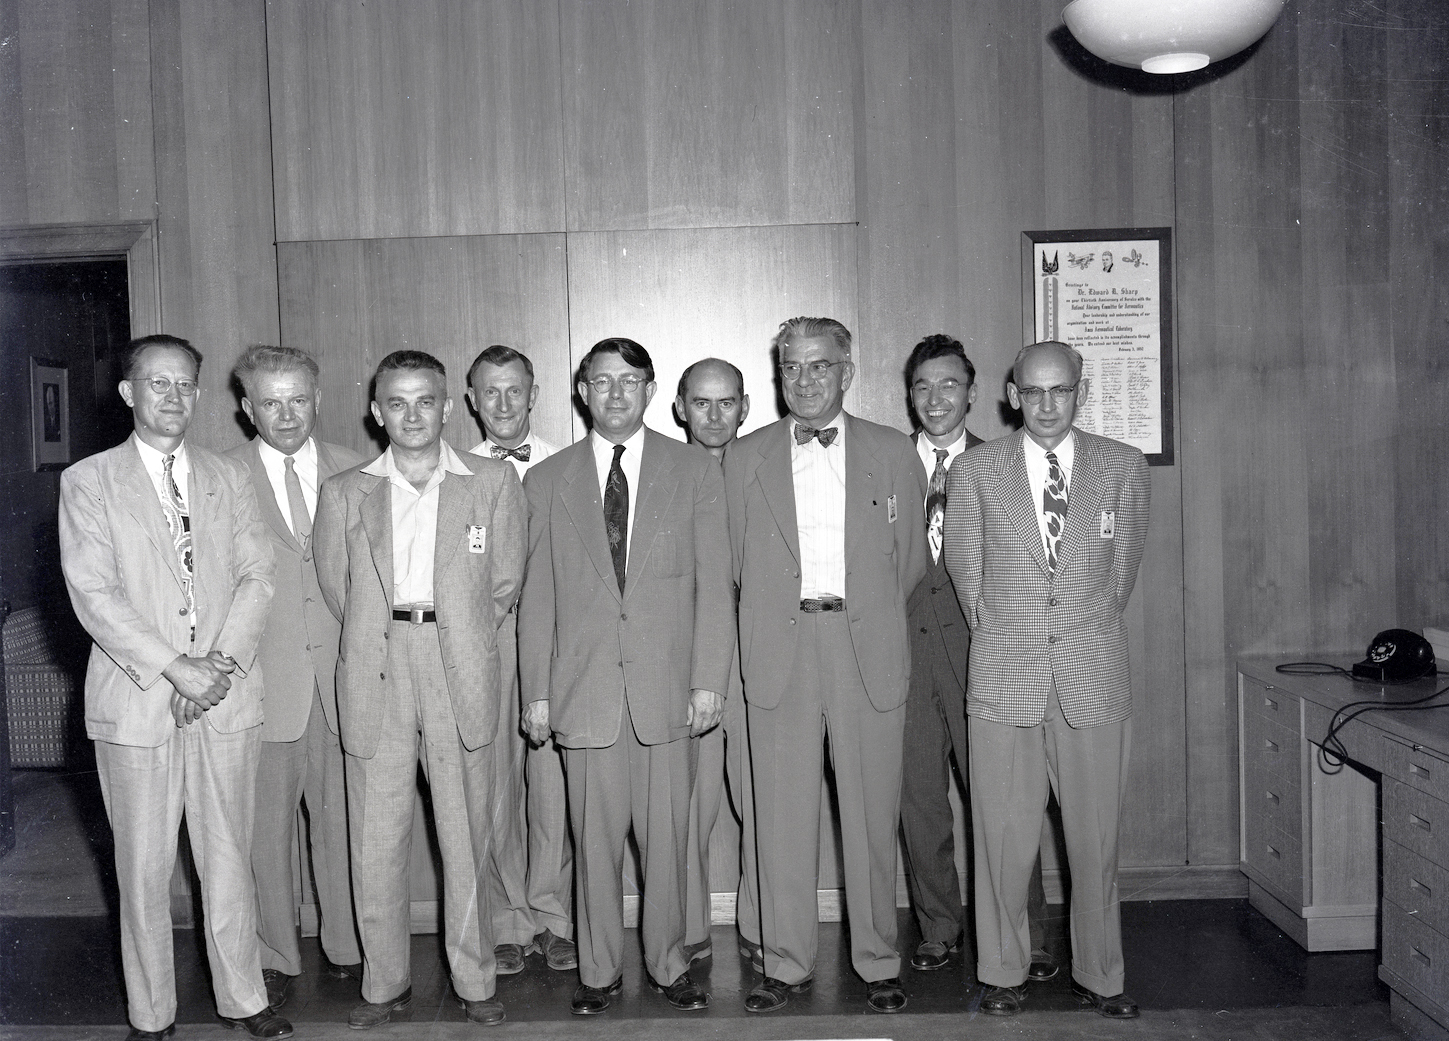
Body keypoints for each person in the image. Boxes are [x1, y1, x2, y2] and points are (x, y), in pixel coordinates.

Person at [58, 334, 290, 1040]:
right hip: (136, 703)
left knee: (228, 858)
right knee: (143, 870)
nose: (173, 396)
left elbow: (258, 576)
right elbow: (94, 594)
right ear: (128, 393)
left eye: (185, 383)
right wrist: (174, 666)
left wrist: (215, 665)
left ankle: (244, 997)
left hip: (224, 698)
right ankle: (151, 1014)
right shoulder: (89, 481)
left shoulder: (228, 476)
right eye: (157, 383)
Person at [518, 338, 734, 1016]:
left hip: (666, 693)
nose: (616, 393)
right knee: (593, 844)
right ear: (582, 391)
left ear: (650, 391)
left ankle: (670, 964)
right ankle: (599, 971)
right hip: (583, 695)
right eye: (602, 381)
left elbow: (712, 586)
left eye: (630, 381)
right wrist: (537, 692)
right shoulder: (546, 480)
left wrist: (708, 679)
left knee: (668, 841)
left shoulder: (692, 470)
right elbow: (537, 597)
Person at [313, 350, 526, 1028]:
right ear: (376, 412)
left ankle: (475, 980)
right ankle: (384, 984)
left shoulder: (491, 481)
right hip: (377, 663)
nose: (412, 415)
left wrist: (454, 633)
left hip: (457, 662)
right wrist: (385, 633)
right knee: (376, 836)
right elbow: (337, 587)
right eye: (396, 403)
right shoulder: (345, 491)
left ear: (447, 407)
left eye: (425, 400)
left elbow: (504, 582)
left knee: (465, 831)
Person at [723, 317, 928, 1015]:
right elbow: (732, 562)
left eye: (819, 366)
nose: (804, 380)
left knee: (871, 813)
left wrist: (857, 611)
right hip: (779, 649)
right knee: (780, 816)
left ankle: (877, 959)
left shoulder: (892, 450)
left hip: (863, 647)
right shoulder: (744, 456)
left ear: (847, 372)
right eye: (792, 367)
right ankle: (785, 961)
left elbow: (909, 562)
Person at [944, 340, 1150, 1019]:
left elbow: (1120, 574)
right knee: (1001, 840)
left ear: (1080, 392)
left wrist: (1075, 630)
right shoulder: (975, 469)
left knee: (1096, 842)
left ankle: (1101, 975)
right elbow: (967, 574)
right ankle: (1002, 972)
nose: (1047, 404)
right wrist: (1012, 633)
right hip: (1005, 673)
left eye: (1060, 390)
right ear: (1012, 395)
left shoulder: (1122, 466)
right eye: (1032, 391)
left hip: (1092, 674)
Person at [897, 335, 1055, 980]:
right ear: (910, 395)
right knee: (919, 801)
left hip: (988, 657)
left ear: (973, 394)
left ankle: (1025, 933)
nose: (936, 398)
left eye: (950, 385)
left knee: (1005, 804)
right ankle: (939, 926)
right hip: (905, 658)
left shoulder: (1004, 466)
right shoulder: (884, 465)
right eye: (923, 386)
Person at [227, 345, 366, 1009]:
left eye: (298, 400)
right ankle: (275, 956)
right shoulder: (219, 476)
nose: (286, 415)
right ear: (247, 407)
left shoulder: (359, 469)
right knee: (265, 836)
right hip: (261, 686)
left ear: (318, 400)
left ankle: (349, 948)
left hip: (344, 684)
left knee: (346, 826)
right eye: (270, 402)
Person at [463, 344, 577, 975]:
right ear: (472, 400)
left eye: (515, 390)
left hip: (559, 643)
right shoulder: (453, 472)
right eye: (491, 391)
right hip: (488, 643)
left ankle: (553, 916)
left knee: (554, 784)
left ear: (535, 395)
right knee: (495, 784)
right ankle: (506, 919)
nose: (504, 404)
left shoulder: (570, 464)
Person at [672, 359, 761, 970]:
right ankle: (687, 928)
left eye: (726, 402)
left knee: (762, 801)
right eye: (700, 402)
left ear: (745, 407)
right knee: (688, 805)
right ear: (680, 408)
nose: (713, 415)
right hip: (691, 658)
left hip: (759, 655)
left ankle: (762, 923)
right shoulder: (663, 472)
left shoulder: (765, 467)